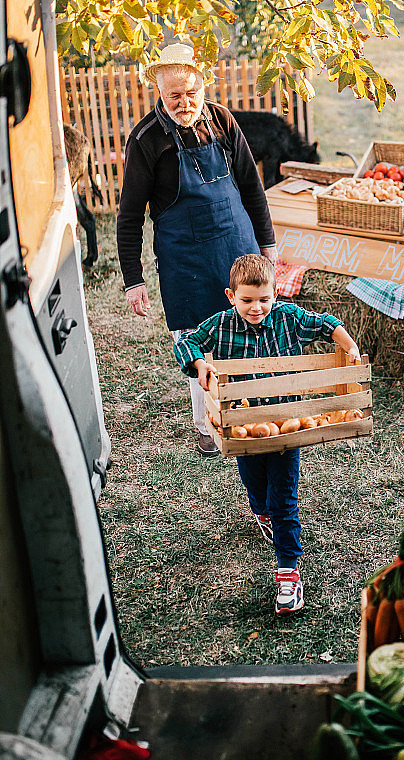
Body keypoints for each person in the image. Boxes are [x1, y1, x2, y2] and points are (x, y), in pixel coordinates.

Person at [173, 254, 361, 614]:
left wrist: (348, 346)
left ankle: (288, 573)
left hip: (286, 425)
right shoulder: (221, 324)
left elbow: (325, 323)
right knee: (255, 487)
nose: (257, 308)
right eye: (246, 300)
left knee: (284, 501)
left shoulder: (288, 319)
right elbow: (186, 342)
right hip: (243, 430)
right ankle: (261, 512)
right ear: (231, 295)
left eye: (265, 299)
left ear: (276, 293)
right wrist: (201, 363)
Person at [117, 43, 278, 457]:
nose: (185, 102)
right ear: (159, 91)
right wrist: (133, 281)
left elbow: (251, 186)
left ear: (203, 84)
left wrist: (269, 246)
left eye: (191, 92)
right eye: (175, 95)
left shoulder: (222, 120)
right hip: (184, 257)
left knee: (249, 330)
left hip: (237, 248)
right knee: (197, 341)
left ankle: (251, 412)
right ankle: (206, 424)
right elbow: (130, 216)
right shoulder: (146, 140)